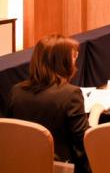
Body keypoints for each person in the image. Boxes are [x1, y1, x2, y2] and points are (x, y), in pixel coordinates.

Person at [7, 34, 95, 173]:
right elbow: (85, 141)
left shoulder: (16, 91)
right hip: (60, 167)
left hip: (23, 166)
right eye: (74, 56)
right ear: (63, 62)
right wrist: (95, 113)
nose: (75, 61)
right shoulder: (71, 94)